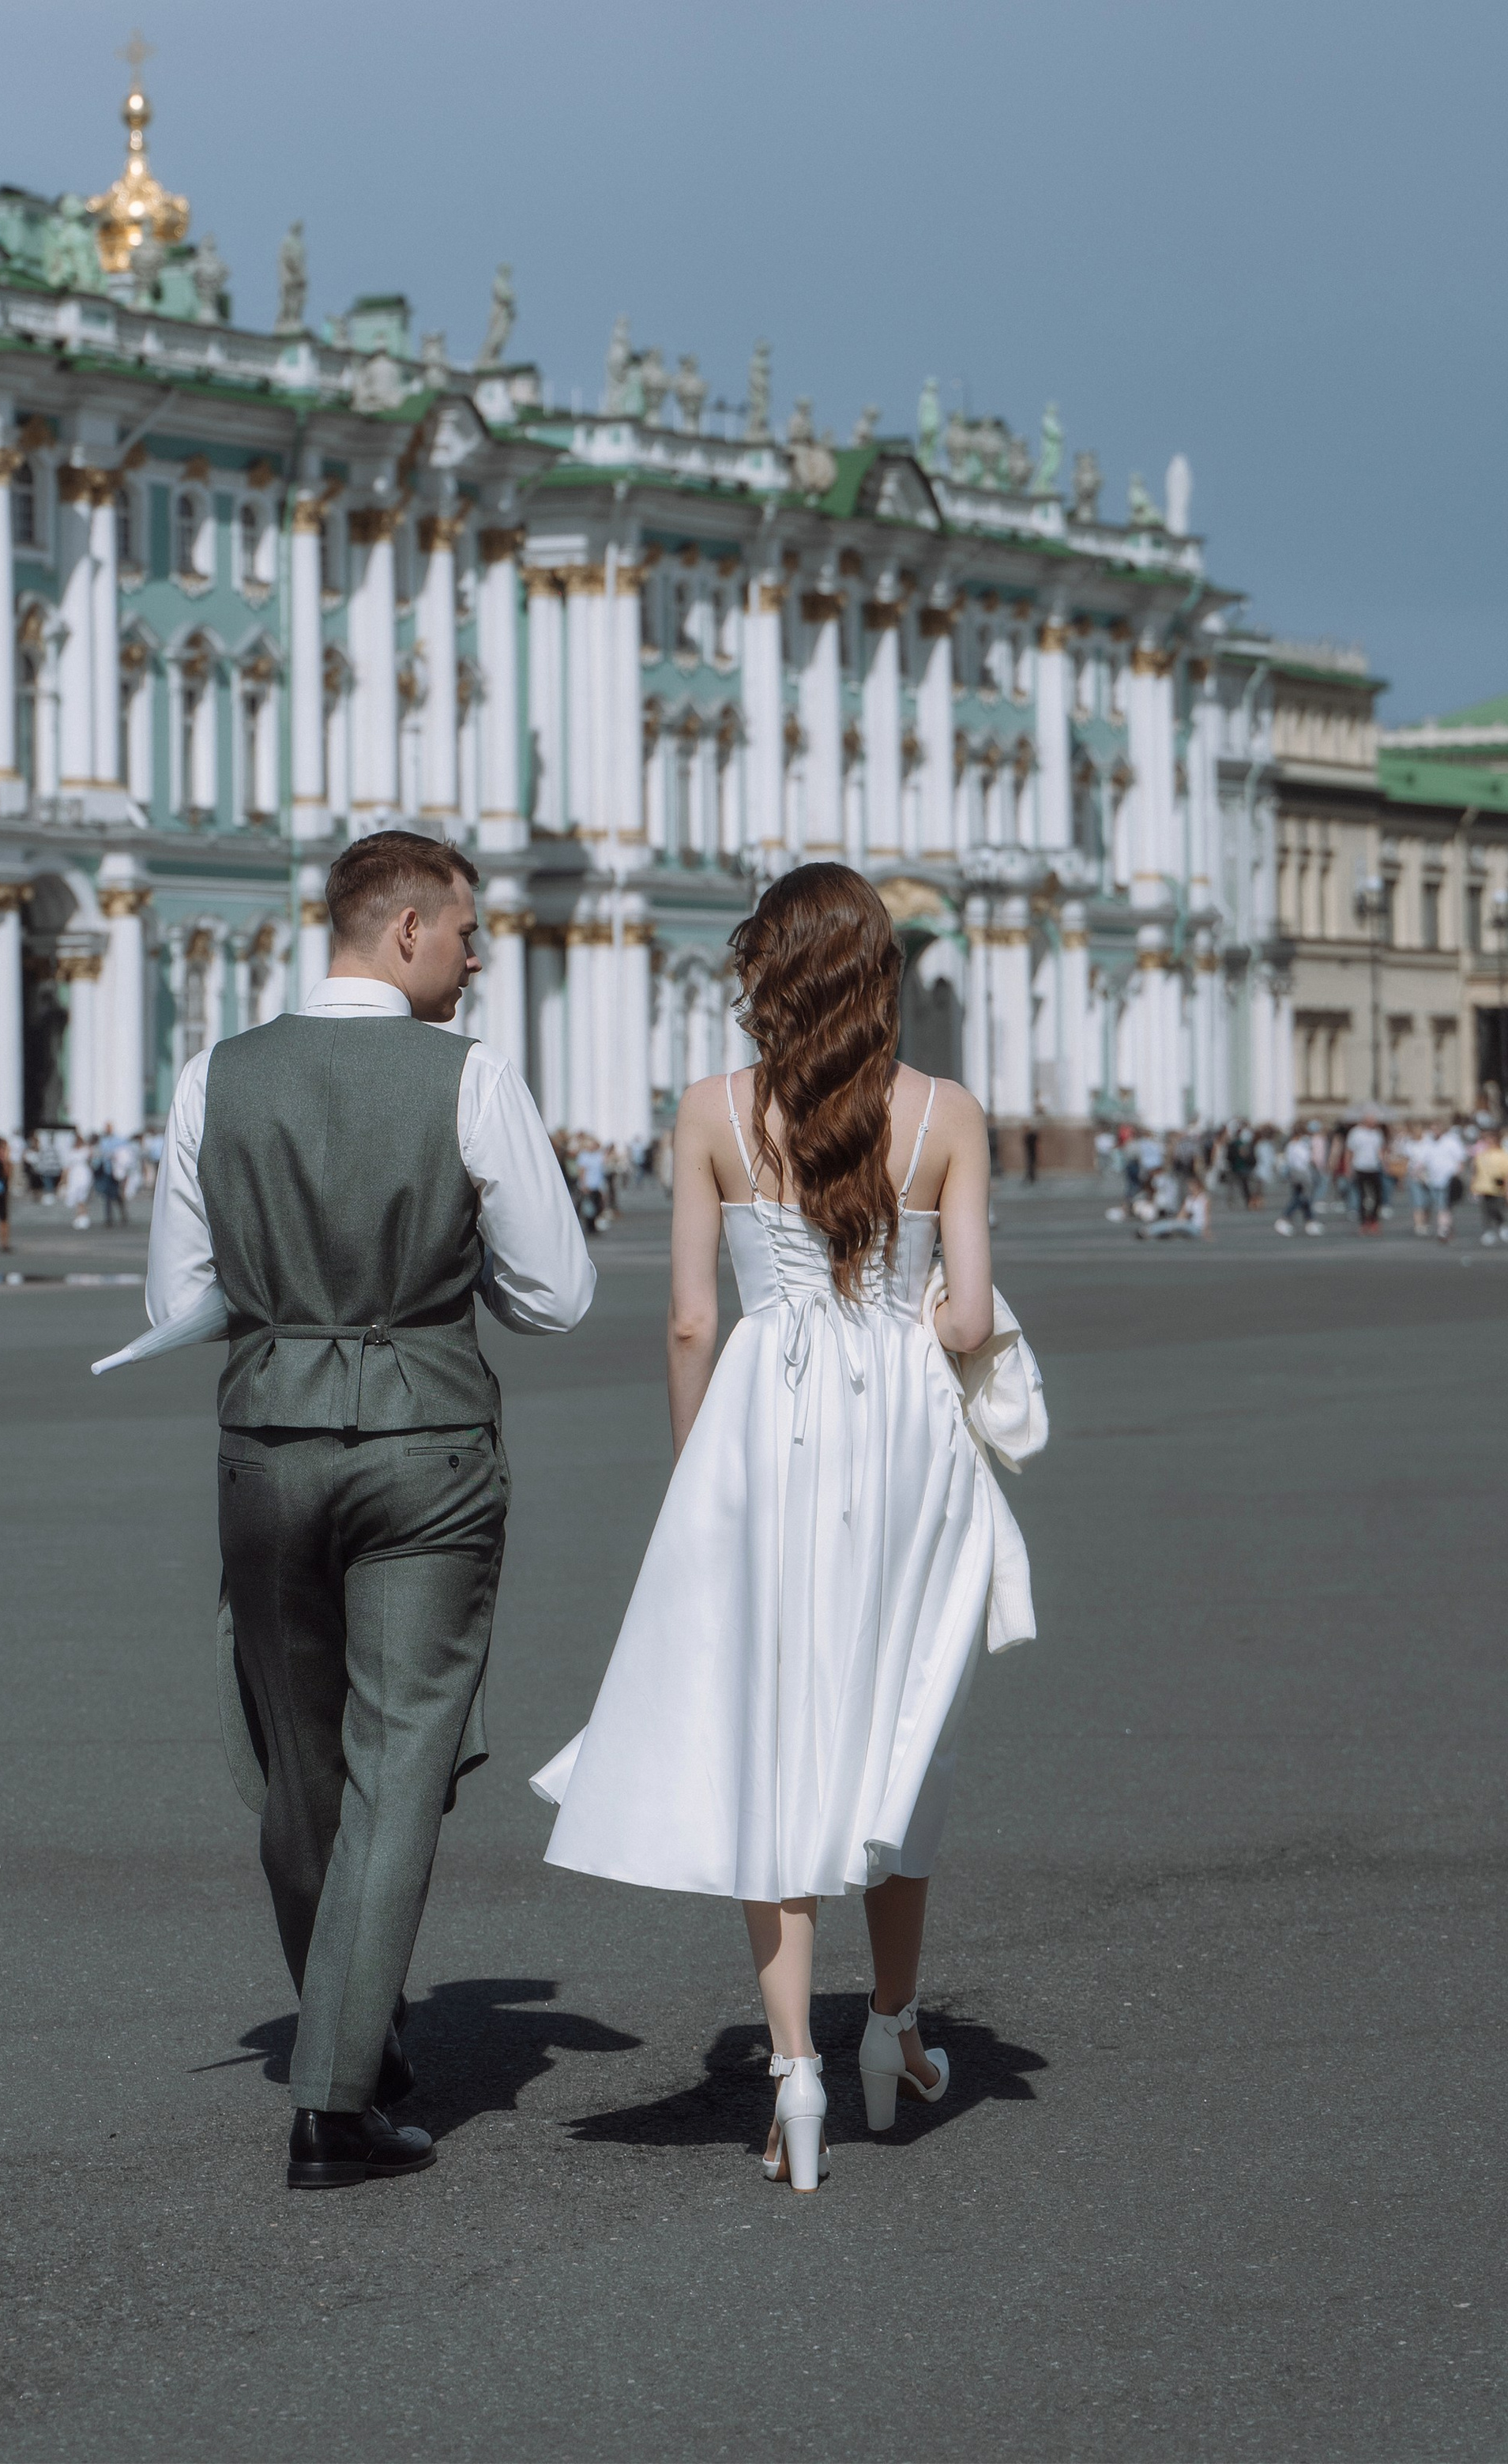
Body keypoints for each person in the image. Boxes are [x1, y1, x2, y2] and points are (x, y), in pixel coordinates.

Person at [532, 863, 1025, 2198]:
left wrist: (702, 1463)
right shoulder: (945, 1115)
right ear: (876, 973)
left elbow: (693, 1317)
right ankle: (897, 2029)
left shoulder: (711, 1112)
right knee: (894, 1725)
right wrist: (898, 1335)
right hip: (905, 1433)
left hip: (764, 1427)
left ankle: (792, 2072)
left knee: (774, 1737)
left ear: (769, 969)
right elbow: (969, 1319)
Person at [145, 828, 593, 2192]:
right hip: (425, 1447)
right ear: (404, 931)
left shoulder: (212, 1075)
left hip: (265, 1440)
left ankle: (348, 2027)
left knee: (296, 1759)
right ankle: (339, 2099)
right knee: (400, 1760)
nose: (476, 960)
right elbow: (557, 1293)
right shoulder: (469, 1077)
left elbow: (177, 1304)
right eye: (466, 934)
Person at [1469, 1127, 1508, 1244]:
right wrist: (1473, 1186)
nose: (1489, 1142)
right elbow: (1475, 1171)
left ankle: (1502, 1225)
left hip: (1498, 1185)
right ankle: (1488, 1231)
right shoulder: (1481, 1155)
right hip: (1484, 1185)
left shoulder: (1503, 1154)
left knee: (1497, 1208)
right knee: (1486, 1210)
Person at [1429, 1117, 1469, 1245]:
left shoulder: (1451, 1142)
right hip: (1433, 1179)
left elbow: (1461, 1160)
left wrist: (1456, 1174)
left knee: (1443, 1206)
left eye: (1437, 1128)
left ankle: (1443, 1230)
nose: (1434, 1131)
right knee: (1442, 1207)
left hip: (1448, 1179)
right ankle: (1447, 1227)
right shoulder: (1429, 1142)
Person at [1274, 1127, 1320, 1237]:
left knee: (1302, 1197)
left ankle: (1310, 1221)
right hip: (1301, 1174)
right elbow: (1306, 1159)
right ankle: (1285, 1217)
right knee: (1302, 1198)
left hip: (1297, 1174)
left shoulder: (1291, 1146)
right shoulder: (1298, 1146)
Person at [1347, 1115, 1386, 1233]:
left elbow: (1380, 1150)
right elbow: (1350, 1151)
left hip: (1374, 1167)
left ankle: (1373, 1219)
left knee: (1378, 1196)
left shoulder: (1377, 1134)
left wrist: (1385, 1164)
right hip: (1360, 1167)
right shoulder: (1356, 1133)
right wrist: (1348, 1167)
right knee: (1362, 1196)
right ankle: (1364, 1222)